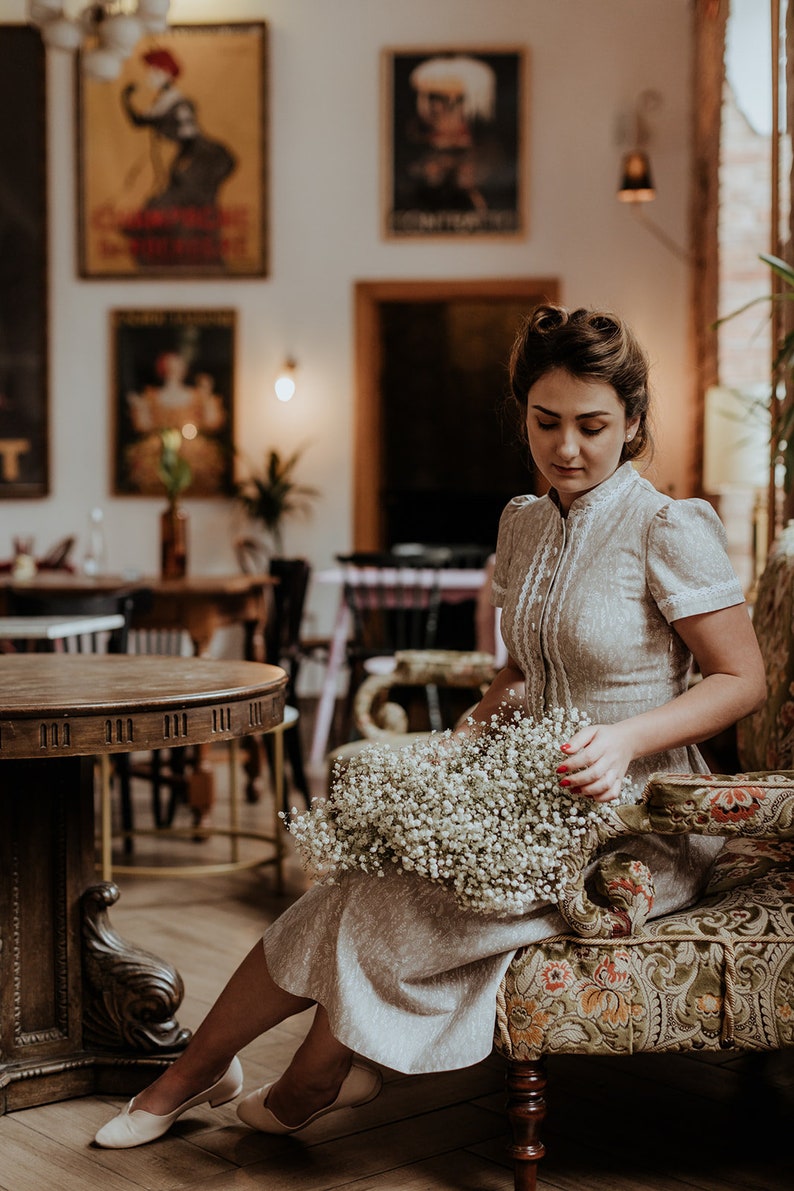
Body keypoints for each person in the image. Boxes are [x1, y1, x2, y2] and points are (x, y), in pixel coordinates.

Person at [94, 303, 766, 1148]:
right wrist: (473, 727)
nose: (566, 447)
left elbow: (744, 678)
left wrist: (628, 737)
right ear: (522, 414)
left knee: (379, 902)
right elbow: (521, 670)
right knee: (344, 886)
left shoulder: (670, 525)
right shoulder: (523, 522)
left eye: (593, 426)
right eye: (545, 421)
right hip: (524, 789)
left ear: (632, 421)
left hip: (637, 822)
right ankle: (196, 1070)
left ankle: (314, 1074)